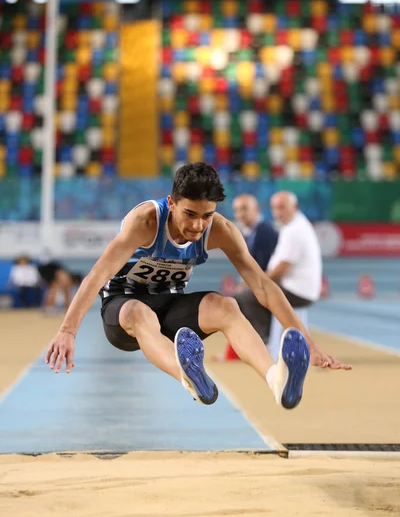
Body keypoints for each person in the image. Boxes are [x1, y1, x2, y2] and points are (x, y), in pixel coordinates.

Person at [45, 163, 351, 411]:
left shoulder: (220, 230)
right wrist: (68, 330)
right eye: (189, 214)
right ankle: (188, 377)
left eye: (207, 216)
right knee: (139, 312)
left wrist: (307, 341)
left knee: (227, 306)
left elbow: (264, 286)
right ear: (172, 203)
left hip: (171, 307)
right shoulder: (145, 222)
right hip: (123, 310)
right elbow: (96, 276)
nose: (197, 226)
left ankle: (276, 379)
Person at [266, 190, 322, 361]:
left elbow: (282, 267)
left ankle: (269, 348)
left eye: (282, 207)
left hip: (298, 290)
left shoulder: (295, 229)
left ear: (295, 207)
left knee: (253, 297)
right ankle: (297, 349)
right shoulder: (295, 225)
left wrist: (257, 282)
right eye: (274, 208)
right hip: (299, 287)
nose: (277, 212)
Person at [232, 193, 278, 344]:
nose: (240, 214)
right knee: (235, 297)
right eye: (237, 210)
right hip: (261, 281)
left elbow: (264, 267)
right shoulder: (250, 232)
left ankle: (263, 337)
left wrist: (246, 285)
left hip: (272, 281)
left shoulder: (265, 232)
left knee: (241, 297)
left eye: (244, 209)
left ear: (256, 209)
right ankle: (251, 339)